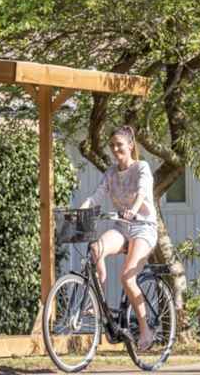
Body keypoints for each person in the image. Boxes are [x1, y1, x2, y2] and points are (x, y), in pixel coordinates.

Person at [78, 125, 158, 351]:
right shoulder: (111, 173)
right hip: (122, 227)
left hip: (143, 228)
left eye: (119, 145)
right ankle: (99, 304)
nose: (115, 149)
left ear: (130, 146)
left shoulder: (141, 167)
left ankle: (145, 329)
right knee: (96, 248)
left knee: (127, 278)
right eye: (112, 145)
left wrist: (133, 209)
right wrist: (81, 210)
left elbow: (142, 192)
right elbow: (97, 195)